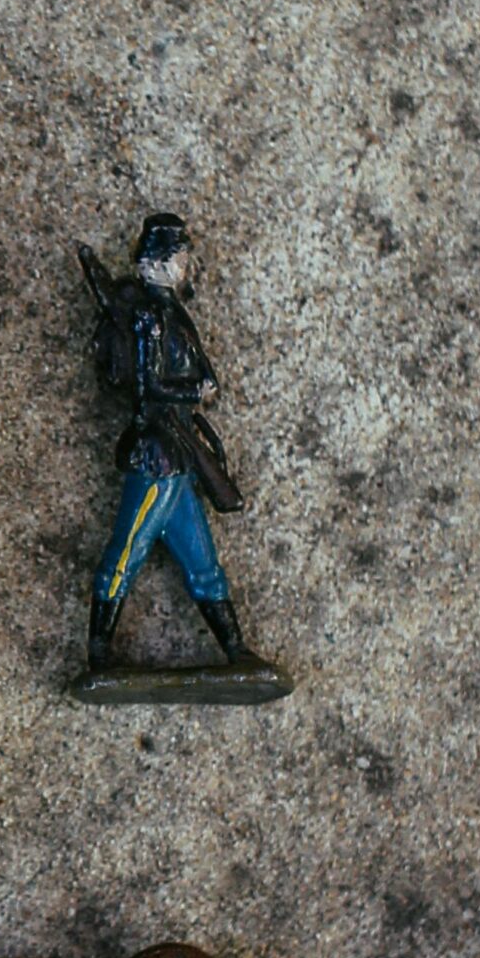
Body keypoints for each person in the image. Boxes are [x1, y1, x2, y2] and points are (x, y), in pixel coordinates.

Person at [77, 215, 287, 701]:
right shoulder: (150, 317)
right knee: (125, 554)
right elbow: (149, 386)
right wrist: (196, 390)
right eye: (179, 258)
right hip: (156, 453)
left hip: (178, 456)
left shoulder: (169, 311)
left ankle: (236, 650)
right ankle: (99, 654)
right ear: (160, 262)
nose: (184, 266)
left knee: (202, 562)